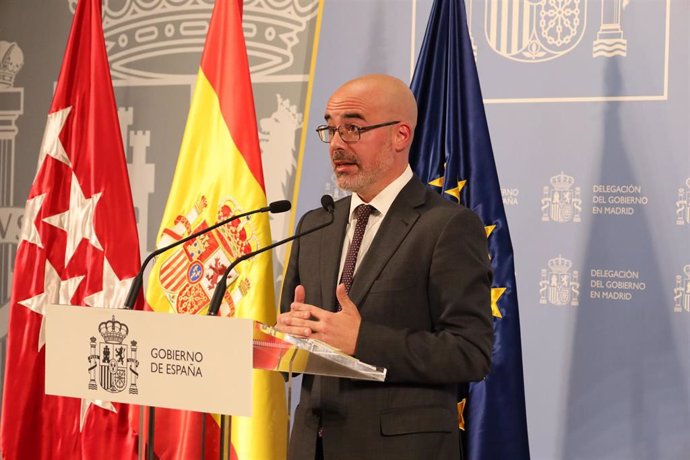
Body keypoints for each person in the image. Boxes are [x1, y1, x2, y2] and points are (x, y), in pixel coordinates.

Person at [275, 74, 493, 460]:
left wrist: (363, 340)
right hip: (312, 446)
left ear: (400, 136)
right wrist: (286, 339)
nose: (338, 144)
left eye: (353, 128)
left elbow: (469, 352)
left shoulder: (446, 226)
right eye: (331, 129)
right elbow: (297, 341)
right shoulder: (316, 223)